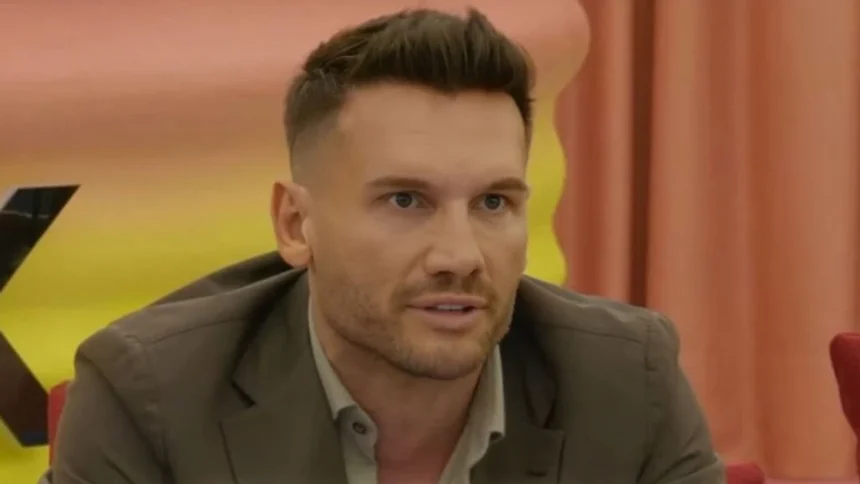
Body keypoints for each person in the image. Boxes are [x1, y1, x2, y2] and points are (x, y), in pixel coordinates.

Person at [44, 8, 725, 484]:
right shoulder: (152, 397)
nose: (459, 255)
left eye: (493, 202)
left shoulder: (624, 381)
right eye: (406, 201)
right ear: (296, 224)